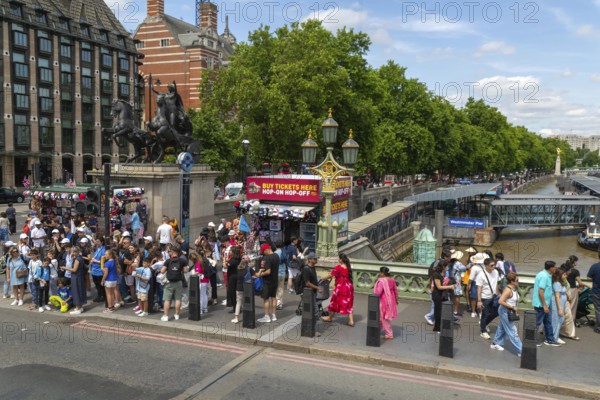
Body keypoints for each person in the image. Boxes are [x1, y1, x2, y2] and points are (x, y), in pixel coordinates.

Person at [490, 272, 522, 356]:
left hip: (508, 311)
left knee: (502, 327)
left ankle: (495, 343)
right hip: (505, 311)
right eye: (517, 280)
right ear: (512, 281)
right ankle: (521, 350)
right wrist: (512, 307)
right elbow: (500, 301)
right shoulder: (508, 290)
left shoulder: (515, 288)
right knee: (512, 330)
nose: (518, 281)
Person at [321, 253, 355, 326]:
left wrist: (322, 278)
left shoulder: (339, 267)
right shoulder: (348, 267)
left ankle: (330, 317)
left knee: (334, 302)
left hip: (341, 287)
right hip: (349, 287)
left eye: (338, 258)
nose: (338, 260)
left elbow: (331, 275)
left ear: (341, 260)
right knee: (348, 304)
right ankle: (351, 321)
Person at [532, 261, 560, 346]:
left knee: (548, 322)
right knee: (537, 323)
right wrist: (544, 305)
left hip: (545, 304)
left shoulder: (546, 275)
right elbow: (541, 291)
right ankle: (531, 340)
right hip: (541, 305)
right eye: (555, 267)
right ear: (551, 268)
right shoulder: (544, 276)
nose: (556, 268)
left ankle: (550, 340)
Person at [160, 246, 188, 322]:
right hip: (178, 282)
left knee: (167, 300)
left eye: (169, 252)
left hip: (169, 283)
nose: (169, 253)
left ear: (172, 252)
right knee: (178, 299)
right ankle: (177, 315)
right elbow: (185, 270)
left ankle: (165, 316)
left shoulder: (168, 261)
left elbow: (162, 271)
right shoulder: (182, 261)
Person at [476, 257, 500, 339]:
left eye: (494, 265)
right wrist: (479, 301)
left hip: (493, 296)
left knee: (496, 312)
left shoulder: (496, 272)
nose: (494, 267)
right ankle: (483, 331)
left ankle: (484, 324)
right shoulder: (481, 275)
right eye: (492, 265)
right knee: (485, 315)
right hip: (484, 298)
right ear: (486, 266)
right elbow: (479, 288)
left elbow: (496, 283)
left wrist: (497, 294)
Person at [429, 260, 455, 332]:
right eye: (447, 266)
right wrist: (449, 287)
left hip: (443, 294)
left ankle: (443, 326)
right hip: (437, 295)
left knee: (444, 310)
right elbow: (439, 287)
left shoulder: (443, 273)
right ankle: (437, 327)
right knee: (438, 311)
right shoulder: (436, 274)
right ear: (443, 267)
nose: (448, 267)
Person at [256, 243, 279, 323]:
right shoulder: (276, 256)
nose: (263, 253)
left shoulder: (267, 258)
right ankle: (274, 315)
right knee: (274, 297)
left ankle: (267, 316)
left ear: (266, 250)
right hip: (275, 280)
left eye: (263, 251)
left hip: (267, 281)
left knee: (266, 299)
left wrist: (260, 274)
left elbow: (268, 271)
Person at [373, 266, 398, 339]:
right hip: (391, 300)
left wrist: (375, 287)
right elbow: (395, 290)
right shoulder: (392, 280)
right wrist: (396, 299)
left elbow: (378, 292)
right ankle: (377, 330)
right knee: (382, 317)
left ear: (383, 273)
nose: (380, 274)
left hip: (383, 301)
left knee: (384, 318)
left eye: (380, 273)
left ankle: (389, 334)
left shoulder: (382, 281)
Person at [60, 246, 86, 315]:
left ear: (75, 252)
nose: (71, 252)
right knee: (79, 290)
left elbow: (74, 269)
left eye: (72, 251)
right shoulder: (80, 257)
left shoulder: (77, 259)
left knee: (76, 292)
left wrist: (65, 268)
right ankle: (80, 307)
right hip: (79, 276)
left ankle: (78, 308)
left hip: (76, 277)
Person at [232, 255, 252, 324]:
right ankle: (246, 316)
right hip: (247, 287)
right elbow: (256, 275)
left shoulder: (238, 268)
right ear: (248, 262)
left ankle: (236, 317)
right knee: (246, 302)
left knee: (238, 302)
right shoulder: (249, 269)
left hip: (238, 287)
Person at [551, 267, 569, 345]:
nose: (566, 276)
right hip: (557, 304)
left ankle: (555, 336)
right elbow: (557, 296)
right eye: (564, 274)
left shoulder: (561, 282)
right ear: (559, 275)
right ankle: (554, 337)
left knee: (559, 319)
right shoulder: (557, 283)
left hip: (561, 303)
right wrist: (560, 309)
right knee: (556, 320)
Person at [90, 237, 106, 303]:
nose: (97, 243)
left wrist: (95, 261)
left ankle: (102, 296)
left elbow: (104, 261)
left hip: (99, 270)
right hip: (94, 269)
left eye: (98, 241)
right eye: (96, 241)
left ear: (102, 242)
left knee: (100, 284)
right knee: (96, 284)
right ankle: (99, 295)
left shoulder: (103, 249)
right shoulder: (97, 248)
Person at [226, 246, 241, 314]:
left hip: (232, 278)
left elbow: (226, 265)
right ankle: (237, 307)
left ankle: (235, 308)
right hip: (235, 276)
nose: (229, 252)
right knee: (236, 293)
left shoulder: (234, 260)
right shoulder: (237, 258)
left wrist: (223, 260)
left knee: (232, 292)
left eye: (230, 251)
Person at [274, 240, 287, 310]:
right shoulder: (283, 252)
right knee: (281, 288)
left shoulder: (275, 253)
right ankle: (280, 303)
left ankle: (276, 302)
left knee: (276, 288)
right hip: (283, 272)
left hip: (276, 273)